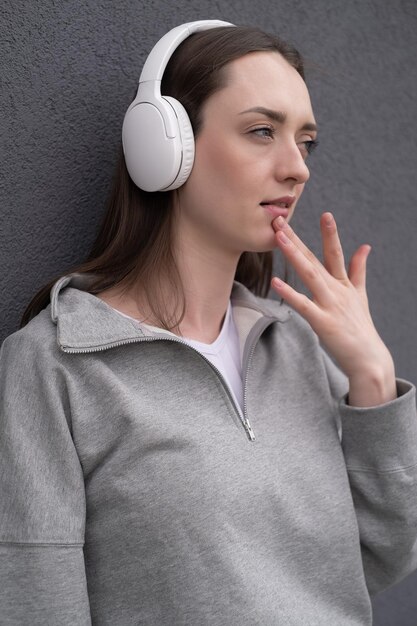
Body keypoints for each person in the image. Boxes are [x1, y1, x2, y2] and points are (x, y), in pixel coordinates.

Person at [1, 19, 416, 626]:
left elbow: (377, 557)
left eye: (305, 140)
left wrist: (372, 378)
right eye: (261, 131)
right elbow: (35, 602)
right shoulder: (57, 365)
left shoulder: (294, 344)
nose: (296, 166)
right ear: (165, 145)